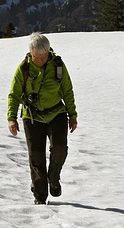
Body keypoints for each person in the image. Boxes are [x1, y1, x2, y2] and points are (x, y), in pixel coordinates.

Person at [7, 32, 78, 205]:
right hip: (32, 117)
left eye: (44, 57)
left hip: (56, 114)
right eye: (37, 57)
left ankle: (53, 178)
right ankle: (40, 197)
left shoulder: (58, 65)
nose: (41, 60)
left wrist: (72, 115)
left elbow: (67, 90)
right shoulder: (23, 69)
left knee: (60, 149)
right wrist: (12, 118)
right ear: (31, 53)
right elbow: (14, 94)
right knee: (36, 158)